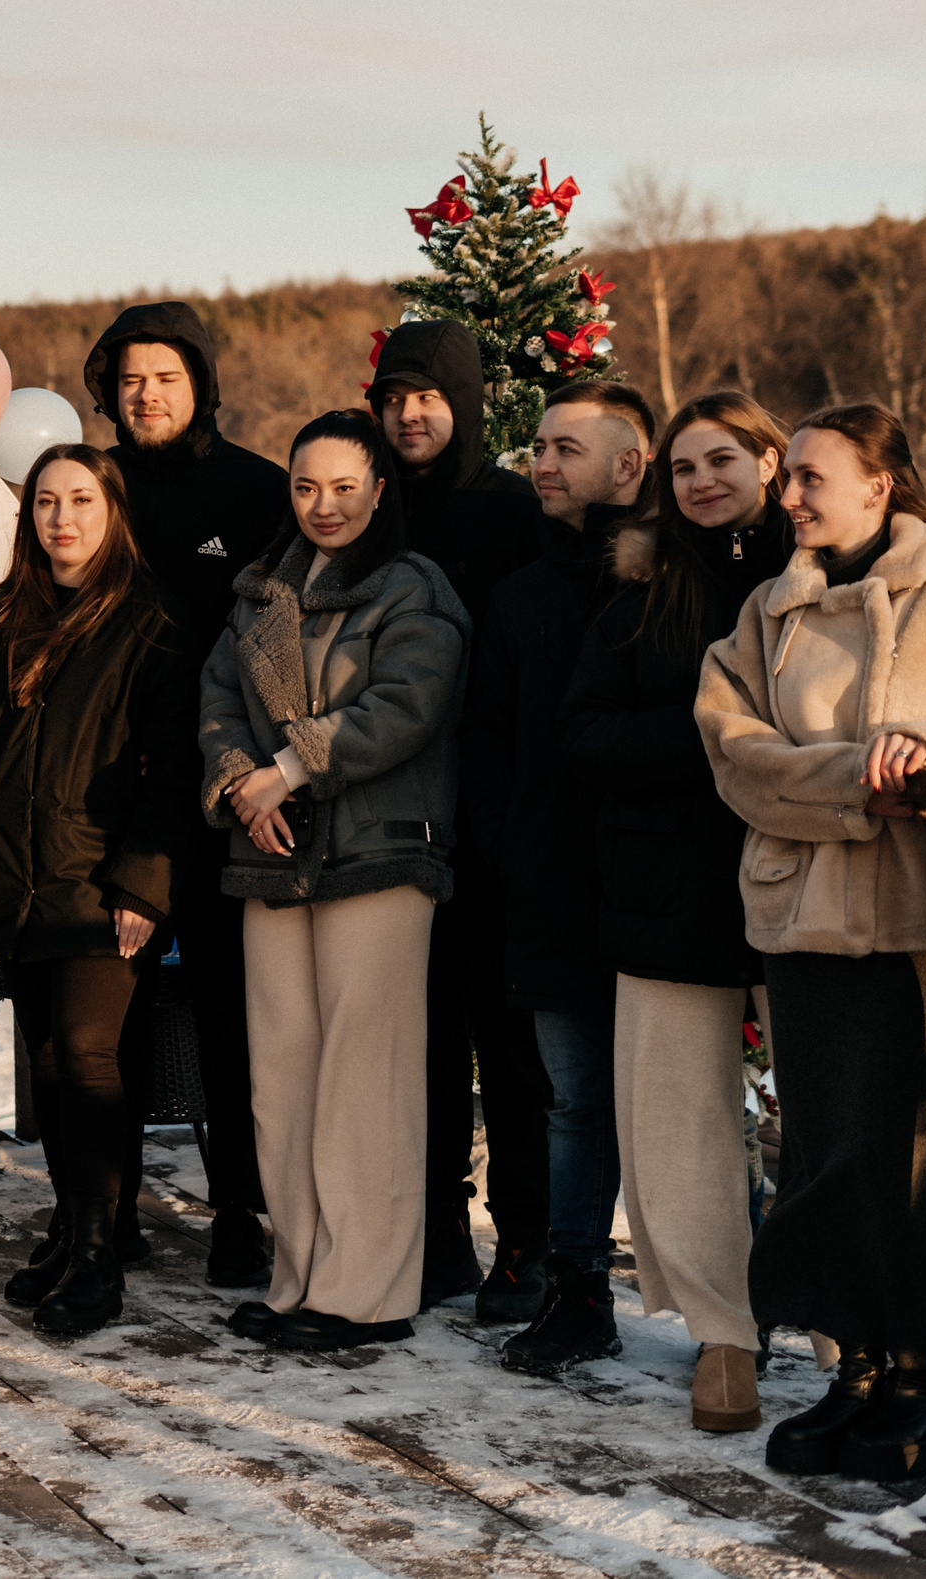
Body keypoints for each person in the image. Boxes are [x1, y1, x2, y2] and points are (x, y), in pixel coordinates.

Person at [698, 403, 926, 1484]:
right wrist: (859, 779)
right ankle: (852, 1366)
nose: (791, 495)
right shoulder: (767, 611)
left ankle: (915, 1371)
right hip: (799, 916)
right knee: (822, 1150)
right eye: (791, 479)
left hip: (923, 921)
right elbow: (734, 754)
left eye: (812, 477)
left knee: (907, 1153)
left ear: (879, 485)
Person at [199, 409, 469, 1352]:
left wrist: (295, 764)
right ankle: (300, 1274)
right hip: (272, 851)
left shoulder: (413, 589)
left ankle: (367, 1293)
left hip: (377, 852)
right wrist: (243, 783)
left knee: (367, 1077)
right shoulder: (260, 591)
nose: (324, 505)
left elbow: (409, 703)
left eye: (345, 487)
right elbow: (219, 697)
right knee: (284, 1074)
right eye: (306, 487)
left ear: (379, 492)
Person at [561, 391, 794, 1432]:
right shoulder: (639, 593)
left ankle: (852, 1324)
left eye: (723, 460)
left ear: (773, 463)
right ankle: (723, 1335)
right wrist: (714, 744)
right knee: (678, 1119)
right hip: (668, 882)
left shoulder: (824, 575)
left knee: (833, 1107)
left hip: (809, 879)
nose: (701, 482)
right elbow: (586, 733)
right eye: (685, 467)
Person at [0, 443, 196, 1335]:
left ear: (111, 511)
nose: (63, 519)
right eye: (46, 502)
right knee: (47, 1064)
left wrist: (143, 880)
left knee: (88, 1058)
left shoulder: (149, 621)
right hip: (17, 875)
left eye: (81, 500)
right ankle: (86, 1224)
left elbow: (174, 770)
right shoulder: (6, 617)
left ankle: (95, 1255)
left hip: (103, 880)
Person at [80, 301, 291, 1287]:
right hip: (105, 795)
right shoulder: (91, 489)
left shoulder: (254, 491)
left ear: (200, 384)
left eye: (164, 376)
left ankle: (239, 1216)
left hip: (219, 797)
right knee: (102, 1018)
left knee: (227, 1014)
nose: (145, 393)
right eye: (129, 379)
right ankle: (106, 1213)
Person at [462, 380, 655, 1373]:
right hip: (547, 889)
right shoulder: (519, 597)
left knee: (683, 1103)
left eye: (565, 448)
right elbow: (487, 750)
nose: (540, 463)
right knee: (569, 1102)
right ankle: (576, 1291)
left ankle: (725, 1308)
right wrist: (515, 849)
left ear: (627, 466)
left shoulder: (670, 582)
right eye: (536, 446)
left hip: (664, 890)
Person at [367, 319, 551, 1319]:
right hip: (397, 825)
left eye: (427, 397)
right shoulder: (372, 508)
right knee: (418, 1041)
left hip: (491, 823)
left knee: (507, 1043)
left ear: (464, 402)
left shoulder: (510, 509)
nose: (408, 415)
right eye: (393, 398)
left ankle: (522, 1243)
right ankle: (435, 1232)